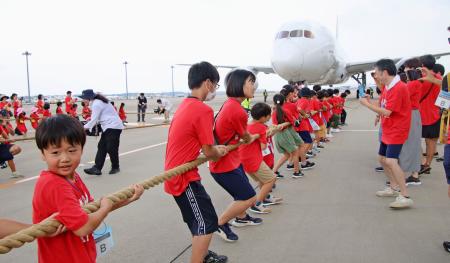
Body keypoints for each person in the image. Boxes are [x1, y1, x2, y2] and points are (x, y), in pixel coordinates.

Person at [32, 114, 143, 263]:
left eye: (72, 150)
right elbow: (83, 227)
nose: (64, 158)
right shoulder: (54, 184)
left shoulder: (73, 176)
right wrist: (104, 210)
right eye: (55, 152)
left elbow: (92, 209)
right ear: (43, 155)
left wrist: (129, 198)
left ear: (81, 149)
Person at [164, 61, 228, 263]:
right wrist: (218, 150)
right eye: (216, 86)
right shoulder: (203, 110)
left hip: (177, 174)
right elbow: (209, 151)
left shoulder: (185, 104)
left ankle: (204, 256)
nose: (215, 91)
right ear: (208, 83)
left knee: (198, 220)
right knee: (206, 224)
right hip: (183, 178)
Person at [209, 69, 262, 243]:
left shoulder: (230, 104)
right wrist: (252, 136)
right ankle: (220, 223)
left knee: (242, 193)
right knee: (248, 196)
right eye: (251, 82)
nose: (254, 86)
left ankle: (241, 217)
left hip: (231, 161)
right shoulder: (237, 110)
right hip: (224, 166)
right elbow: (246, 138)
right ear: (239, 84)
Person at [360, 59, 413, 209]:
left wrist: (367, 105)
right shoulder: (388, 87)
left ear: (384, 72)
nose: (375, 76)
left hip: (397, 129)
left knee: (390, 161)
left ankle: (405, 195)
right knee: (382, 159)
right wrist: (377, 114)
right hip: (388, 128)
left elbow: (387, 111)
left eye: (376, 73)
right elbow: (384, 105)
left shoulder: (399, 87)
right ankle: (393, 187)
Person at [239, 102, 282, 214]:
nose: (269, 117)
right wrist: (264, 136)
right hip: (254, 159)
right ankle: (257, 204)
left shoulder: (248, 125)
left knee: (262, 180)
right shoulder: (261, 127)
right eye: (268, 115)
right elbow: (263, 147)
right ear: (263, 117)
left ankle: (265, 197)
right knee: (271, 179)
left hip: (244, 160)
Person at [81, 90, 124, 175]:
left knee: (111, 148)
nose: (83, 100)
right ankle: (97, 168)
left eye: (84, 98)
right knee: (102, 146)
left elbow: (94, 120)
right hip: (109, 126)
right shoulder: (98, 102)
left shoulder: (97, 104)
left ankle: (115, 167)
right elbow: (97, 118)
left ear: (89, 98)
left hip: (113, 126)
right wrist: (90, 122)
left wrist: (83, 128)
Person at [400, 58, 423, 186]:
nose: (404, 70)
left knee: (408, 145)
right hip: (413, 114)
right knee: (413, 144)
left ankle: (405, 175)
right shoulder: (416, 83)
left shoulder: (412, 84)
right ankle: (414, 175)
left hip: (411, 114)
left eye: (406, 67)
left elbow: (401, 97)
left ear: (412, 68)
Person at [418, 55, 442, 175]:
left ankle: (423, 163)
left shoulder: (421, 78)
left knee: (415, 140)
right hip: (435, 115)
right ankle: (427, 164)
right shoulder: (438, 78)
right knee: (431, 142)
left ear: (422, 65)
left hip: (422, 115)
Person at [271, 93, 303, 178]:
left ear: (274, 102)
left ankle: (274, 171)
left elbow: (274, 125)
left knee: (287, 155)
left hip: (277, 135)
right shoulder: (286, 111)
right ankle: (296, 171)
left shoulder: (274, 113)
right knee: (295, 153)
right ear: (284, 101)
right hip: (285, 134)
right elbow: (293, 122)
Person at [0, 110, 23, 178]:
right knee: (7, 154)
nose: (8, 117)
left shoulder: (6, 123)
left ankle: (14, 172)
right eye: (6, 116)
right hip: (2, 143)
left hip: (3, 144)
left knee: (16, 149)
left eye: (8, 116)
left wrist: (6, 125)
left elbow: (11, 134)